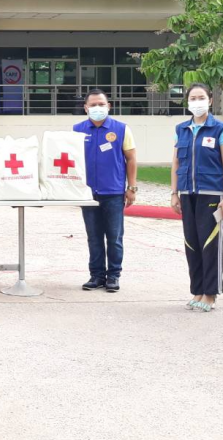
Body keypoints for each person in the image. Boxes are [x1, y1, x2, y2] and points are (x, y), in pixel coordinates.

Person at [170, 83, 223, 313]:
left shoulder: (220, 129)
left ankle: (211, 292)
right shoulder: (182, 129)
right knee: (192, 243)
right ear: (187, 102)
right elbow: (176, 163)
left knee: (211, 244)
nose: (196, 102)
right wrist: (174, 193)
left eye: (201, 97)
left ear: (209, 100)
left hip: (212, 193)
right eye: (192, 98)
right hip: (188, 194)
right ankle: (197, 290)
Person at [73, 89, 138, 293]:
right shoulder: (77, 130)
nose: (97, 108)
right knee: (93, 236)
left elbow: (131, 158)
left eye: (101, 104)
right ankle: (96, 276)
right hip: (88, 193)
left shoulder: (121, 129)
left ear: (109, 106)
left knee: (114, 237)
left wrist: (131, 187)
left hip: (113, 192)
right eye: (92, 105)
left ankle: (114, 276)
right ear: (85, 108)